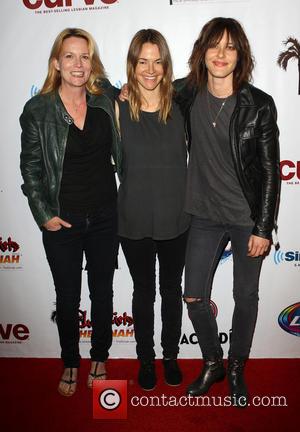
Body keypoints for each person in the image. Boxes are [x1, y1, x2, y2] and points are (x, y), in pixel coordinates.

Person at [174, 17, 280, 407]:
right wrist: (115, 95)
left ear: (241, 54)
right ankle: (213, 361)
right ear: (202, 51)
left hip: (244, 217)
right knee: (193, 297)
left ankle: (236, 367)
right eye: (214, 46)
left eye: (230, 47)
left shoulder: (259, 104)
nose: (221, 54)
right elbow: (144, 89)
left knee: (245, 297)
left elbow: (271, 172)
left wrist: (263, 228)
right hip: (202, 214)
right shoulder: (186, 93)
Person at [20, 28, 120, 397]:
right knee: (67, 298)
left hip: (106, 214)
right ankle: (71, 362)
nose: (78, 64)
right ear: (56, 63)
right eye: (70, 56)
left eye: (85, 56)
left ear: (91, 63)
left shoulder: (105, 100)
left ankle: (100, 357)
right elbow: (30, 168)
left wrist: (114, 88)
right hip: (62, 220)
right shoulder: (38, 110)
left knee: (103, 293)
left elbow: (124, 91)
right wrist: (43, 213)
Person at [116, 29, 190, 390]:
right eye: (142, 61)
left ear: (166, 65)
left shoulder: (182, 103)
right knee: (143, 292)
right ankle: (145, 359)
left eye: (157, 61)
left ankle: (170, 356)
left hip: (177, 218)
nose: (150, 69)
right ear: (132, 64)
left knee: (171, 290)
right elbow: (85, 78)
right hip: (133, 218)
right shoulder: (116, 107)